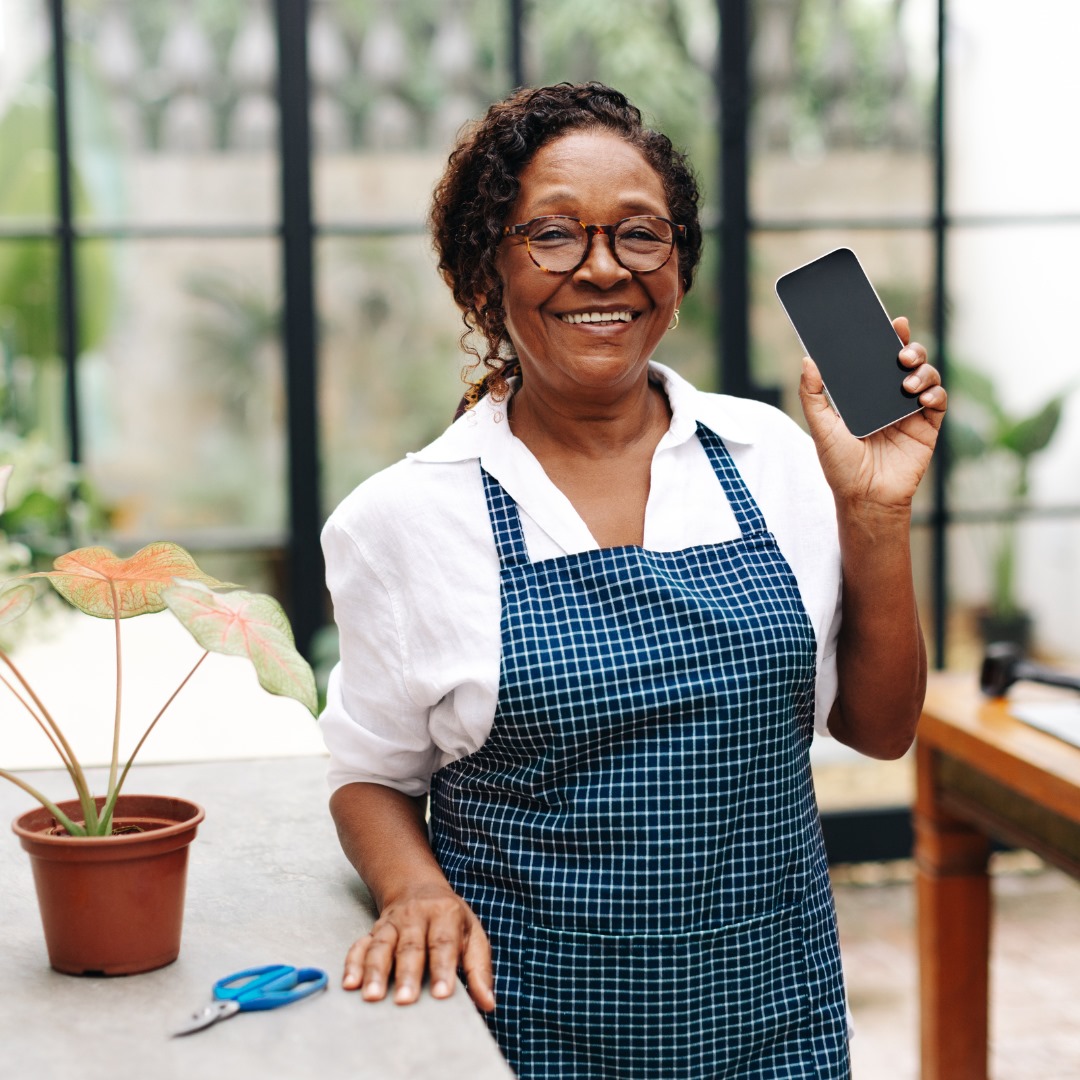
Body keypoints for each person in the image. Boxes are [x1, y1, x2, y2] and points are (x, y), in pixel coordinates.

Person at [319, 81, 946, 1079]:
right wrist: (415, 893)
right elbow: (369, 774)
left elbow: (879, 728)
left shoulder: (773, 456)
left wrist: (875, 514)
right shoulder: (401, 521)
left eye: (640, 235)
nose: (602, 268)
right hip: (527, 1034)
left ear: (678, 269)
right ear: (484, 276)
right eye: (553, 236)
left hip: (774, 1030)